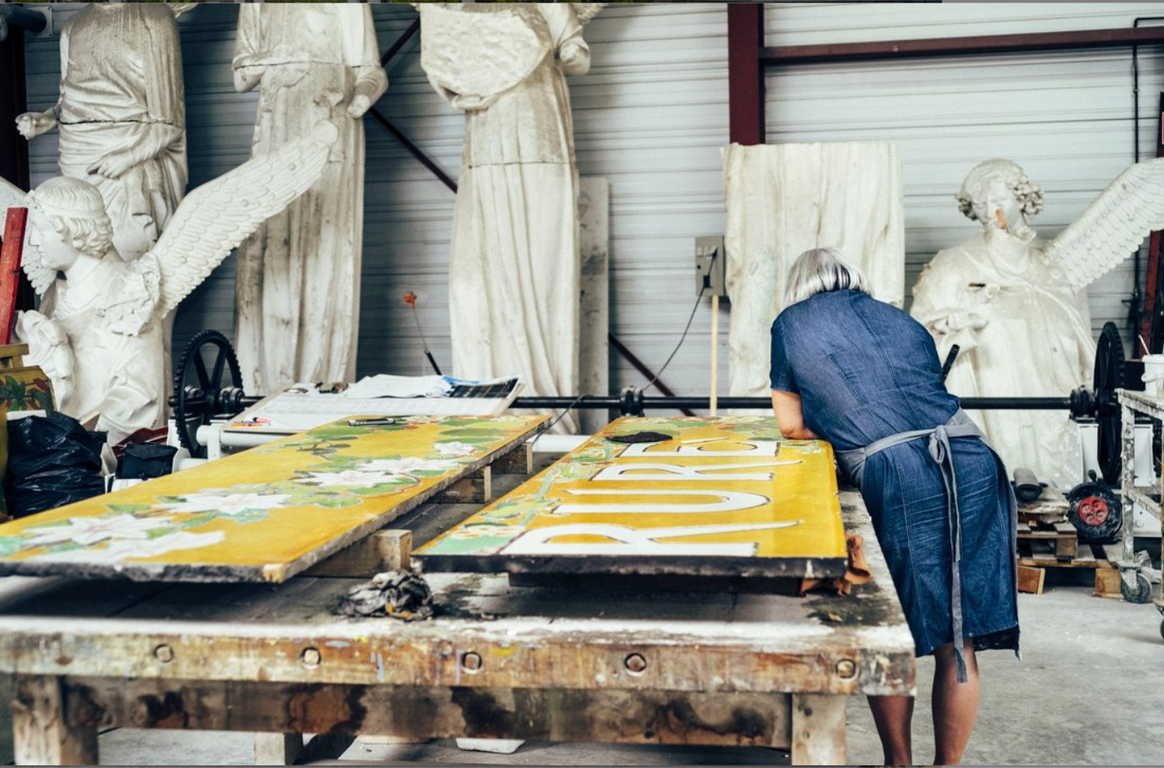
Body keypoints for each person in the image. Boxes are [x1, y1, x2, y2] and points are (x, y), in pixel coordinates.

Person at [769, 247, 1019, 766]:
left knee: (891, 633)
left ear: (797, 288)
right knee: (959, 633)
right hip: (972, 454)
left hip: (901, 473)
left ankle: (897, 764)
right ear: (854, 279)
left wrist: (846, 430)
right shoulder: (900, 319)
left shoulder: (791, 324)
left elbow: (790, 425)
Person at [232, 3, 387, 392]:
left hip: (331, 121)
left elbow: (370, 70)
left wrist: (361, 98)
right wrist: (280, 58)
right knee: (269, 253)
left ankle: (323, 379)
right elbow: (241, 75)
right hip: (276, 121)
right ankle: (261, 388)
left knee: (327, 246)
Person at [910, 160, 1093, 488]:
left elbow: (1079, 334)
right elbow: (917, 341)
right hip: (993, 395)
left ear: (1022, 199)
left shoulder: (1055, 267)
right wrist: (958, 325)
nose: (991, 211)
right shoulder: (952, 264)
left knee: (1058, 470)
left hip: (1051, 393)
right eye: (981, 205)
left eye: (1000, 199)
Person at [15, 3, 187, 262]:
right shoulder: (73, 25)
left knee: (131, 253)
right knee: (74, 252)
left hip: (129, 157)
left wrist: (127, 157)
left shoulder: (155, 18)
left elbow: (170, 121)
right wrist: (48, 118)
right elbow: (68, 100)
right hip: (77, 159)